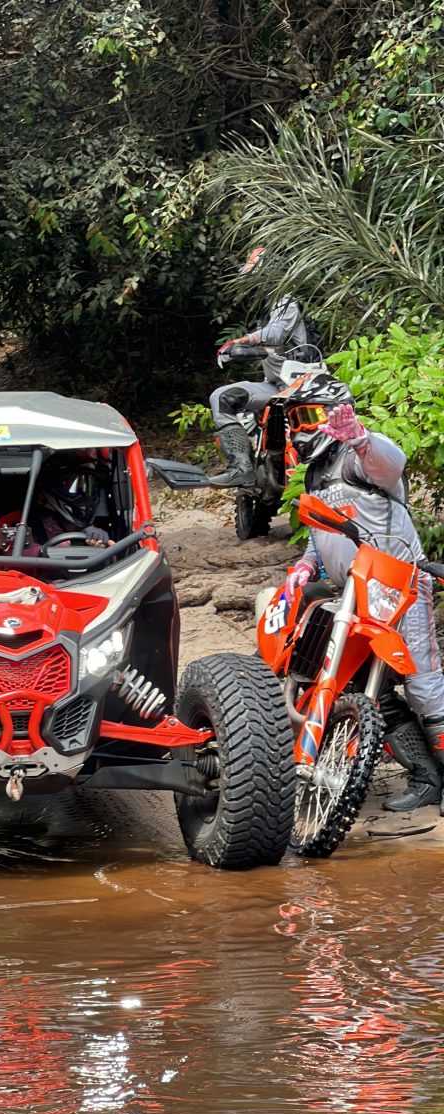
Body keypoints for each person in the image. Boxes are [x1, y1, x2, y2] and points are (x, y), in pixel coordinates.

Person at [286, 399, 444, 813]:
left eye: (309, 416)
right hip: (353, 595)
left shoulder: (358, 458)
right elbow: (321, 532)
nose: (301, 429)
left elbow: (392, 465)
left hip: (400, 586)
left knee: (423, 685)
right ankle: (426, 777)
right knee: (367, 688)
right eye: (293, 420)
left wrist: (360, 439)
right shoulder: (315, 474)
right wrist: (306, 565)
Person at [208, 246, 309, 487]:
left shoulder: (286, 301)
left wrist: (242, 341)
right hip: (275, 387)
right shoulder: (267, 306)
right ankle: (241, 468)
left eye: (255, 275)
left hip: (302, 386)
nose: (252, 283)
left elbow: (276, 333)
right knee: (222, 397)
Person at [17, 451, 112, 556]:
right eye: (72, 486)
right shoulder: (23, 521)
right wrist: (72, 546)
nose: (82, 494)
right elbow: (13, 552)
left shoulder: (88, 524)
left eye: (88, 485)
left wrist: (102, 547)